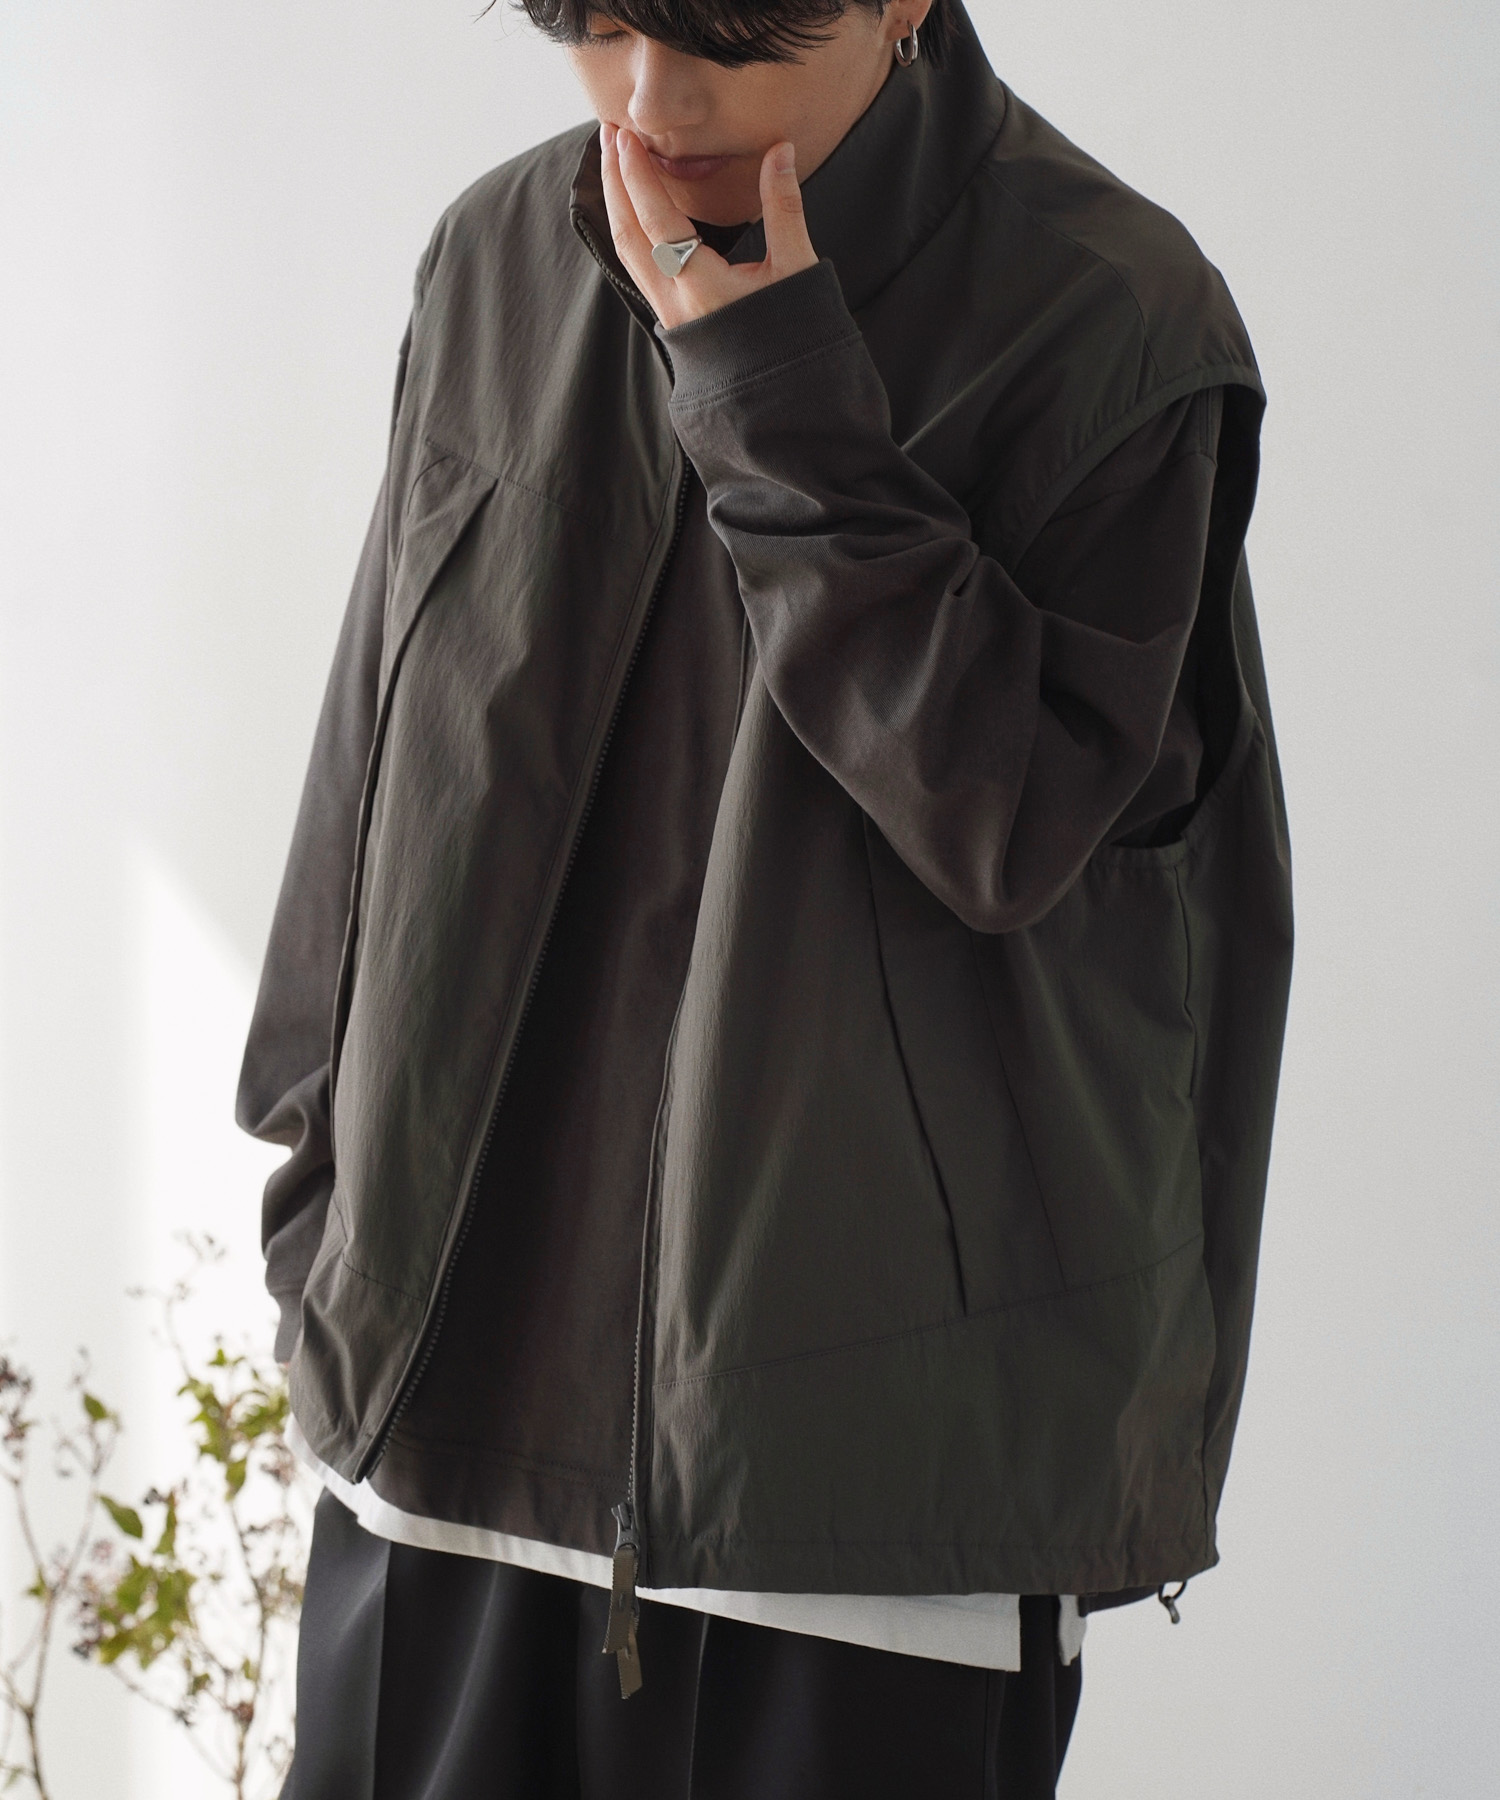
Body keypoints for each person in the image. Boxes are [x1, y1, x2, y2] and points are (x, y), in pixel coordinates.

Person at [238, 0, 1293, 1792]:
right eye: (602, 26)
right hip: (445, 1446)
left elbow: (1002, 817)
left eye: (724, 34)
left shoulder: (1108, 312)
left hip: (868, 1521)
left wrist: (772, 390)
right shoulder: (499, 252)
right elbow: (372, 772)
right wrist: (323, 1210)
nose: (653, 98)